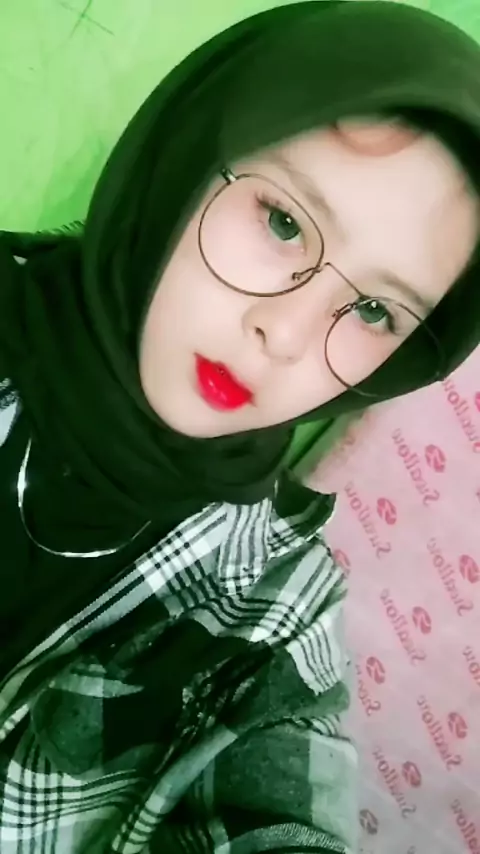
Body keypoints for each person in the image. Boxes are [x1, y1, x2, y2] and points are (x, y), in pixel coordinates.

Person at [0, 1, 479, 851]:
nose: (285, 336)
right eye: (284, 222)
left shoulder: (273, 615)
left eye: (375, 311)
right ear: (183, 159)